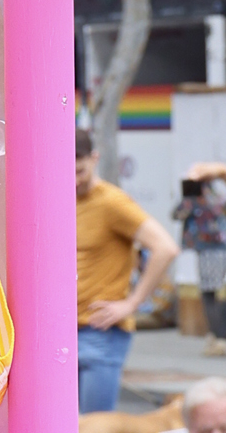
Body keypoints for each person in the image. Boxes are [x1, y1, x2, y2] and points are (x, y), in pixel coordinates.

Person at [76, 126, 178, 411]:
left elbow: (165, 248)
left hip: (100, 331)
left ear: (94, 159)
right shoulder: (58, 199)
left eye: (80, 172)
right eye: (67, 172)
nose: (73, 181)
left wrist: (131, 303)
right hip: (62, 331)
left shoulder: (112, 202)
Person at [174, 163, 226, 356]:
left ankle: (217, 338)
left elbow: (176, 213)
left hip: (208, 250)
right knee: (213, 294)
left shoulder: (195, 201)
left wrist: (187, 196)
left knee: (208, 295)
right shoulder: (222, 199)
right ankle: (217, 337)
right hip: (225, 251)